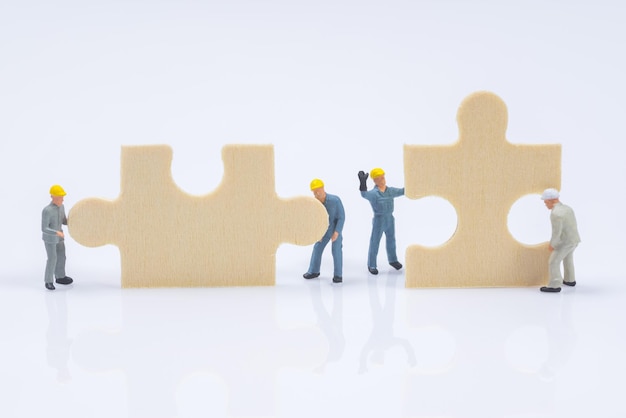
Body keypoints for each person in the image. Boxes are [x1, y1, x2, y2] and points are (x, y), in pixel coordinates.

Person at [358, 168, 404, 275]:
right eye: (379, 178)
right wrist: (363, 183)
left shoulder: (390, 191)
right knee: (375, 242)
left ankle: (393, 260)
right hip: (379, 220)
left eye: (383, 177)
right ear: (374, 181)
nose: (382, 180)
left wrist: (413, 185)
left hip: (390, 219)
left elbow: (402, 191)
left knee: (391, 240)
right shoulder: (374, 194)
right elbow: (364, 194)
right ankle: (371, 264)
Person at [303, 179, 345, 283]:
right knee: (317, 248)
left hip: (335, 229)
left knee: (336, 251)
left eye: (318, 190)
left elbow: (341, 217)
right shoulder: (315, 203)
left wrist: (337, 232)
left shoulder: (335, 200)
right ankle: (314, 271)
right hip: (323, 230)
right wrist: (317, 232)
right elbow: (314, 219)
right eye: (314, 192)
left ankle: (338, 275)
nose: (317, 193)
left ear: (323, 188)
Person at [539, 188, 580, 293]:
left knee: (553, 262)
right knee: (568, 259)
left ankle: (555, 284)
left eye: (546, 201)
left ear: (551, 200)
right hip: (574, 240)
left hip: (565, 242)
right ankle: (570, 280)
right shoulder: (568, 208)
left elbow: (556, 232)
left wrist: (552, 244)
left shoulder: (556, 213)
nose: (545, 204)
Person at [42, 185, 73, 290]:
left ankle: (60, 276)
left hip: (60, 238)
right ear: (53, 197)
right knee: (52, 259)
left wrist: (73, 221)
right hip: (50, 239)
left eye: (62, 197)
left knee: (62, 256)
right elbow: (44, 228)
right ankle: (48, 281)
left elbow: (64, 221)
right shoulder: (47, 210)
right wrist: (56, 232)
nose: (62, 199)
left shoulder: (62, 207)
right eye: (60, 197)